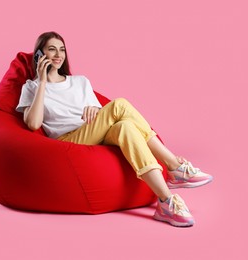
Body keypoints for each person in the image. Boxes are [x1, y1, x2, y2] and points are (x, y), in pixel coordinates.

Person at [16, 31, 213, 227]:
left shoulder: (80, 82)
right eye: (51, 49)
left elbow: (101, 113)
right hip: (68, 141)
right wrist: (42, 81)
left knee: (125, 126)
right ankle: (173, 165)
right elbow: (33, 124)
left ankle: (166, 202)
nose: (58, 55)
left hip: (91, 130)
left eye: (62, 50)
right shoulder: (31, 87)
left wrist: (95, 109)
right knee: (120, 104)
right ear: (39, 55)